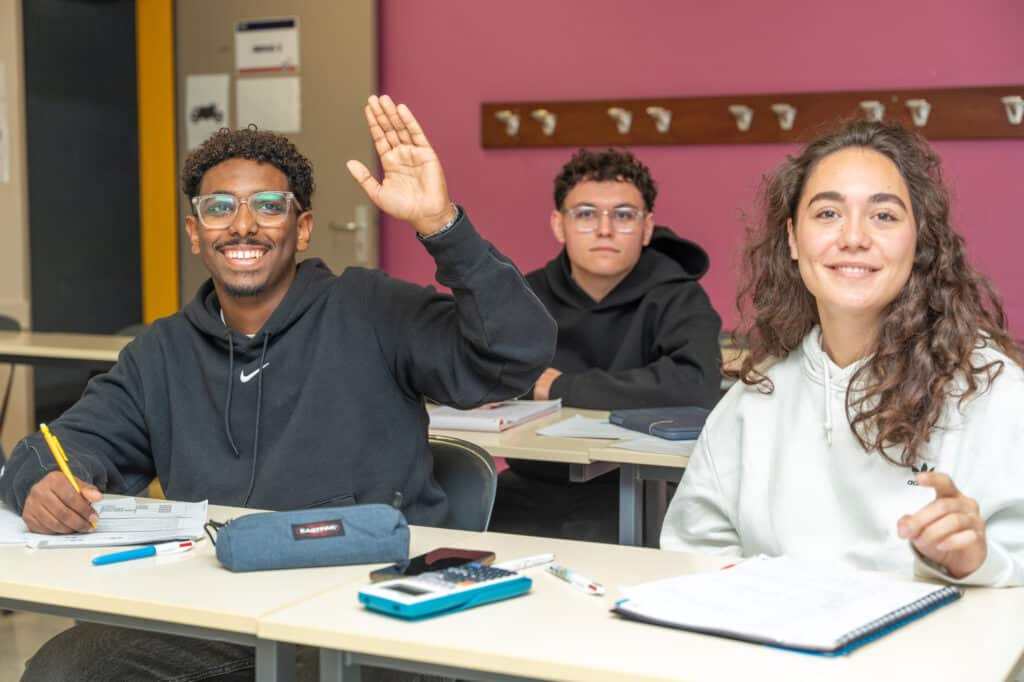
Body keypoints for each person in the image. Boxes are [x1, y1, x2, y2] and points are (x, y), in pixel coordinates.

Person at [0, 95, 555, 680]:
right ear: (195, 233)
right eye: (219, 208)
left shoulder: (372, 309)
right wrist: (44, 480)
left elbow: (515, 355)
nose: (243, 225)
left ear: (303, 228)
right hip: (219, 601)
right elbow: (60, 445)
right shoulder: (161, 352)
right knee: (66, 668)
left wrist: (442, 227)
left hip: (364, 598)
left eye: (268, 206)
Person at [661, 120, 1024, 587]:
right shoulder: (751, 404)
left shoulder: (993, 392)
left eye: (884, 216)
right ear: (793, 239)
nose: (853, 237)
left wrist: (976, 562)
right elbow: (694, 554)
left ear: (919, 241)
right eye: (828, 213)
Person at [489, 149, 721, 543]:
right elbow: (489, 374)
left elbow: (694, 386)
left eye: (624, 215)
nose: (604, 229)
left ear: (647, 228)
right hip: (534, 481)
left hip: (644, 490)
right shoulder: (526, 295)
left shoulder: (679, 297)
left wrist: (559, 387)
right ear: (559, 224)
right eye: (585, 214)